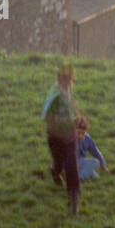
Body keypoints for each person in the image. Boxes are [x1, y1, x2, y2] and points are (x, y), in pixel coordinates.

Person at [41, 66, 80, 215]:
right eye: (65, 78)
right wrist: (60, 127)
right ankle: (55, 171)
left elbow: (71, 104)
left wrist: (78, 118)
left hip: (70, 135)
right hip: (55, 137)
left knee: (72, 165)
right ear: (58, 79)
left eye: (70, 79)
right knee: (58, 162)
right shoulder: (54, 95)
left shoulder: (68, 91)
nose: (68, 82)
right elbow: (47, 118)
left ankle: (74, 197)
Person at [75, 115, 108, 181]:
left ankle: (80, 174)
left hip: (81, 162)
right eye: (78, 133)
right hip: (70, 163)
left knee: (96, 176)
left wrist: (103, 164)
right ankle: (79, 179)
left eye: (83, 133)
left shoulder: (87, 138)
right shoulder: (70, 140)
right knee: (94, 162)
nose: (81, 136)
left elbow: (95, 151)